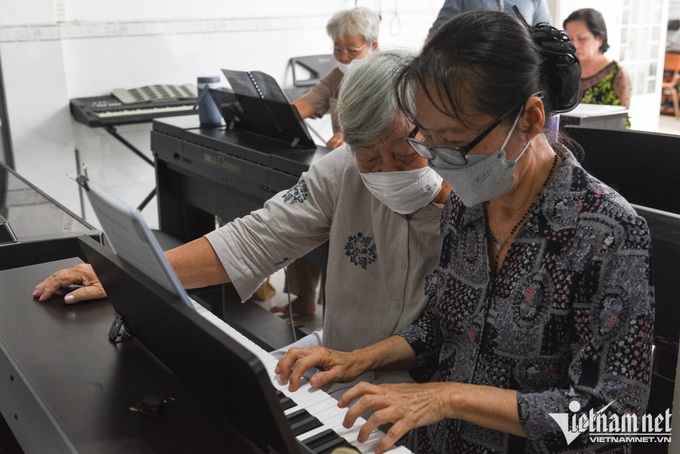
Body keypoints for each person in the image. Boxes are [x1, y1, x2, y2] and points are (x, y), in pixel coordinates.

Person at [276, 10, 654, 454]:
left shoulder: (607, 233)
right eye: (427, 141)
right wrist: (357, 359)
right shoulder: (468, 206)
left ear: (531, 118)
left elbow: (614, 420)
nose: (438, 161)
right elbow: (441, 325)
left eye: (455, 141)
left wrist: (449, 397)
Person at [33, 49, 451, 389]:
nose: (386, 172)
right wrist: (122, 273)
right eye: (369, 158)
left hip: (426, 392)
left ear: (433, 133)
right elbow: (258, 237)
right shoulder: (340, 169)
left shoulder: (471, 191)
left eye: (402, 155)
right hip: (335, 372)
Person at [283, 6, 381, 317]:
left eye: (352, 50)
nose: (344, 56)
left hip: (376, 173)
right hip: (343, 167)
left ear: (373, 47)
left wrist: (353, 138)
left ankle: (342, 313)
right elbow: (307, 104)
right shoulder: (339, 74)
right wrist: (272, 112)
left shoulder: (385, 76)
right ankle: (304, 298)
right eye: (338, 49)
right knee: (302, 208)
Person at [564, 8, 632, 125]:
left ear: (599, 38)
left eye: (582, 39)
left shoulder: (616, 75)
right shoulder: (565, 69)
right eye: (570, 39)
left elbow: (621, 121)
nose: (574, 45)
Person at [428, 0, 551, 37]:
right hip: (474, 74)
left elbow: (546, 37)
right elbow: (436, 36)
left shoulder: (536, 1)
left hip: (520, 74)